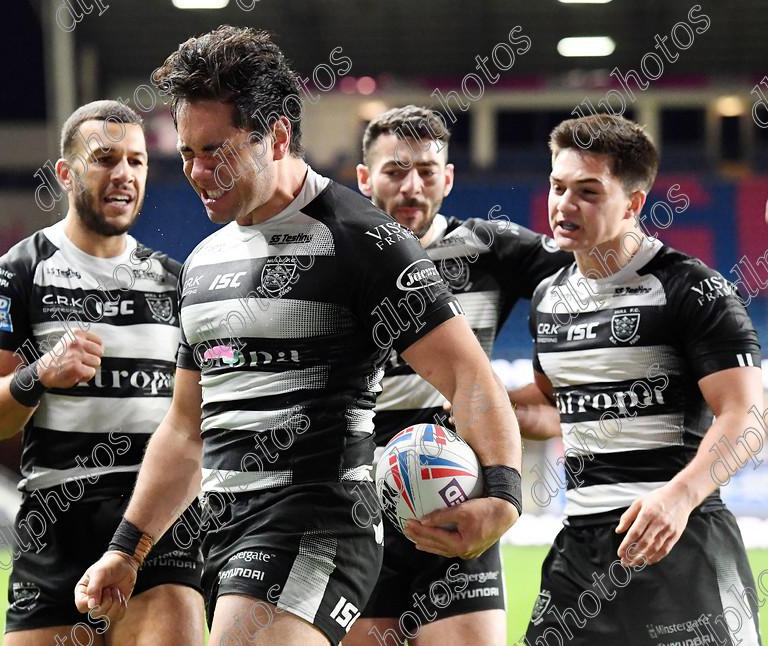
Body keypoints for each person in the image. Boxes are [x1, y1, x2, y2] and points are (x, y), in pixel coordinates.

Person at [73, 27, 523, 646]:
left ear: (278, 134)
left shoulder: (363, 240)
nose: (199, 173)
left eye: (217, 151)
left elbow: (468, 374)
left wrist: (503, 496)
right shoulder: (203, 261)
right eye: (187, 154)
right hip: (224, 535)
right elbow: (185, 428)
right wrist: (126, 550)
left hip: (321, 523)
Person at [0, 100, 205, 646]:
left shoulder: (177, 282)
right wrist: (37, 375)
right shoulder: (18, 272)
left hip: (155, 524)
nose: (124, 175)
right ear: (66, 173)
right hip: (55, 526)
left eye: (137, 162)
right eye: (105, 158)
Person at [515, 113, 764, 645]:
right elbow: (553, 406)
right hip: (579, 554)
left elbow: (748, 414)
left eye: (587, 191)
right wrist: (467, 413)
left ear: (633, 204)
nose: (564, 205)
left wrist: (677, 498)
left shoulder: (693, 288)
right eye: (558, 186)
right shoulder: (547, 298)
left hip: (683, 541)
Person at [343, 105, 570, 646]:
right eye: (395, 171)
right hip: (359, 507)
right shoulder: (337, 258)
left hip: (461, 494)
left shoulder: (489, 249)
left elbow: (587, 269)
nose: (411, 187)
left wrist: (551, 373)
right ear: (364, 178)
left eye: (427, 171)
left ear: (447, 177)